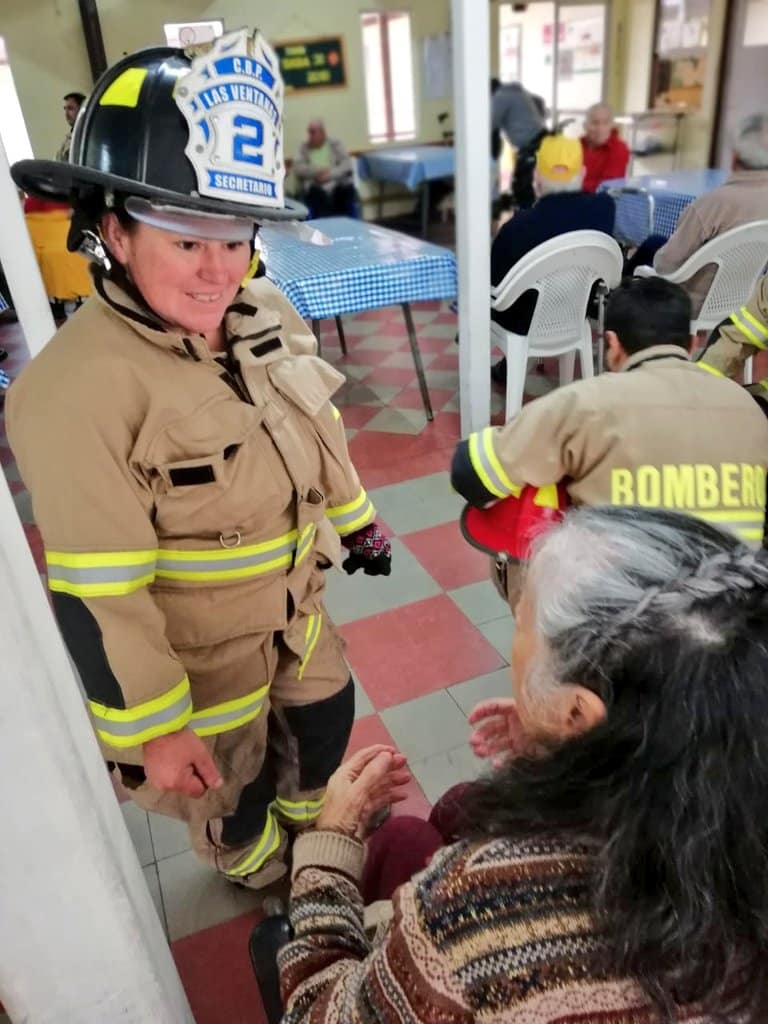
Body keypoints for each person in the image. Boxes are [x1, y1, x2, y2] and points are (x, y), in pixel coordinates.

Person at [7, 30, 391, 891]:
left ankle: (313, 841)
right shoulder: (73, 393)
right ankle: (261, 873)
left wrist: (360, 523)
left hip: (298, 618)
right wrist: (153, 728)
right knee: (234, 796)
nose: (220, 272)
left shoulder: (265, 308)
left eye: (235, 238)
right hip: (203, 672)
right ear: (113, 230)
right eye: (187, 242)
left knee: (324, 728)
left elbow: (318, 425)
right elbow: (99, 595)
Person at [277, 505, 768, 1022]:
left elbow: (318, 1016)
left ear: (577, 711)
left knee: (402, 840)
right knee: (458, 807)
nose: (515, 629)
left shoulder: (478, 912)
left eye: (520, 620)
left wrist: (328, 847)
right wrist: (561, 745)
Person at [455, 277, 768, 606]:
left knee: (531, 492)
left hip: (623, 617)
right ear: (691, 345)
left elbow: (471, 473)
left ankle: (537, 627)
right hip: (733, 616)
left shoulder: (585, 403)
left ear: (612, 345)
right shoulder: (751, 410)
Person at [490, 134, 615, 385]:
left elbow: (495, 283)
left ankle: (509, 366)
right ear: (582, 172)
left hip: (523, 323)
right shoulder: (605, 209)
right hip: (576, 311)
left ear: (537, 176)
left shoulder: (518, 227)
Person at [636, 112, 768, 315]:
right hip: (747, 300)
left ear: (734, 158)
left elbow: (666, 265)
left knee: (647, 256)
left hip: (693, 303)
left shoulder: (713, 204)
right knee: (655, 242)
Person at [293, 119, 357, 217]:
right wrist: (318, 171)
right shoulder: (303, 147)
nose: (310, 135)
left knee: (347, 189)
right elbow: (298, 168)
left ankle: (345, 222)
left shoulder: (335, 144)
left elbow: (347, 164)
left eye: (313, 132)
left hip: (336, 182)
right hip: (315, 184)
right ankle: (327, 223)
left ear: (323, 132)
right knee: (316, 195)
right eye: (309, 132)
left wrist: (330, 174)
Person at [580, 102, 630, 192]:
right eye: (595, 123)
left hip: (600, 198)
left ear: (612, 125)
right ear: (585, 125)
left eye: (606, 123)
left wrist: (573, 185)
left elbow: (607, 187)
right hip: (571, 195)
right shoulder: (575, 145)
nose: (600, 129)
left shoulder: (619, 148)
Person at [56, 91, 86, 162]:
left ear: (81, 109)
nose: (66, 114)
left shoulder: (89, 134)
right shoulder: (66, 143)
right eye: (65, 109)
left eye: (70, 108)